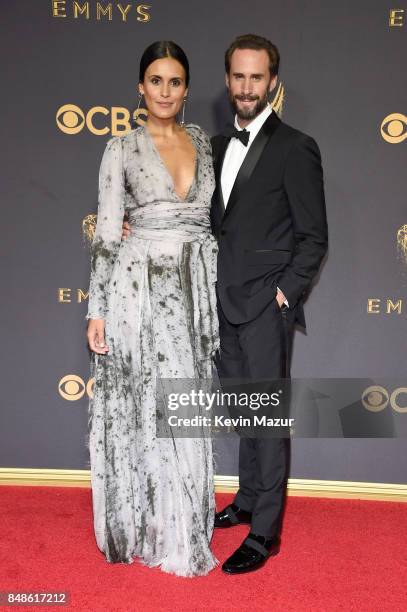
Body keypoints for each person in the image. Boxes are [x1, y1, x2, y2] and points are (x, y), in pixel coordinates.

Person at [86, 40, 219, 577]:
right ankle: (141, 527)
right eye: (156, 81)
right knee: (141, 405)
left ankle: (182, 526)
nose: (165, 91)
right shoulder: (120, 148)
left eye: (176, 82)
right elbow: (106, 236)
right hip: (136, 288)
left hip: (192, 287)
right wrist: (96, 307)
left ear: (186, 89)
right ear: (140, 87)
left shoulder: (205, 144)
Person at [211, 34, 328, 574]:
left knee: (268, 417)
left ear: (273, 83)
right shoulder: (212, 147)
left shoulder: (295, 147)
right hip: (221, 304)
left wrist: (284, 295)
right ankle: (247, 497)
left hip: (266, 306)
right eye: (239, 76)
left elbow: (314, 238)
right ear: (228, 79)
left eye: (257, 78)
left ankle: (265, 533)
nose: (247, 87)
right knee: (242, 411)